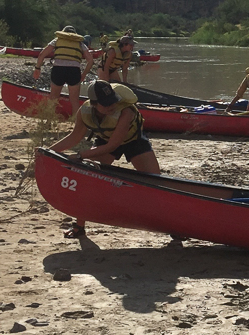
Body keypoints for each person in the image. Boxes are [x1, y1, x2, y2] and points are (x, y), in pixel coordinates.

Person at [49, 80, 160, 238]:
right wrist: (48, 151)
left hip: (133, 141)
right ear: (93, 104)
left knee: (156, 183)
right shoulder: (84, 111)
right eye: (106, 104)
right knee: (88, 179)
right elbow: (74, 137)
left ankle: (173, 228)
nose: (111, 106)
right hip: (105, 141)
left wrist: (80, 155)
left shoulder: (126, 111)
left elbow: (113, 145)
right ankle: (79, 227)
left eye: (112, 101)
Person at [32, 26, 93, 110]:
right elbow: (90, 61)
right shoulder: (80, 43)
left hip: (58, 70)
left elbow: (42, 54)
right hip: (74, 71)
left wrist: (37, 68)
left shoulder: (57, 40)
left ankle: (49, 120)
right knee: (74, 101)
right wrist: (84, 74)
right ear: (75, 34)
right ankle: (75, 121)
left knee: (53, 98)